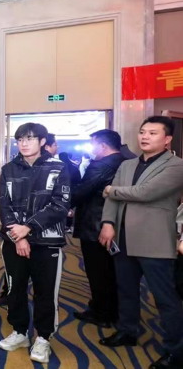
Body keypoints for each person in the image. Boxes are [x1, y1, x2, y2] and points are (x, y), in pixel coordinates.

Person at [99, 116, 183, 369]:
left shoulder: (176, 165)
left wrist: (111, 189)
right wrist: (108, 222)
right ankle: (128, 331)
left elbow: (146, 193)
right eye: (142, 132)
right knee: (126, 289)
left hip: (155, 240)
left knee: (165, 298)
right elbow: (112, 200)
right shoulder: (128, 164)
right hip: (123, 237)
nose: (145, 136)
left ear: (167, 139)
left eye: (153, 133)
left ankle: (176, 351)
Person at [0, 123, 71, 364]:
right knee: (14, 289)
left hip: (46, 242)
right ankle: (19, 331)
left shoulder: (58, 168)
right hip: (13, 240)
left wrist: (27, 228)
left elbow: (60, 205)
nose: (24, 143)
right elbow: (4, 205)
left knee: (45, 292)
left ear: (42, 141)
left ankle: (43, 337)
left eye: (29, 138)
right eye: (20, 139)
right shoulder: (8, 169)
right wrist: (18, 236)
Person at [71, 129, 125, 328]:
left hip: (95, 224)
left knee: (98, 271)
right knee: (110, 270)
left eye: (93, 144)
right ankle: (109, 309)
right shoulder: (125, 161)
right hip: (113, 223)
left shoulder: (101, 165)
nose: (92, 148)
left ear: (102, 145)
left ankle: (102, 313)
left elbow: (81, 192)